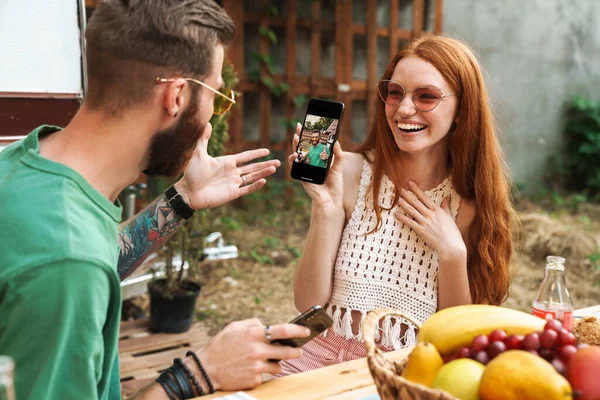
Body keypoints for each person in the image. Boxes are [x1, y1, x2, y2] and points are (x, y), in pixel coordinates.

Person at [0, 1, 309, 399]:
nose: (215, 113)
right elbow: (73, 261)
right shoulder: (67, 262)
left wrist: (183, 199)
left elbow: (95, 257)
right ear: (176, 96)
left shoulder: (27, 163)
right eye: (216, 94)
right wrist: (199, 374)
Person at [279, 34, 514, 375]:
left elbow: (456, 340)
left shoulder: (469, 206)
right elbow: (308, 304)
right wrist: (325, 208)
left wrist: (452, 252)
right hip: (315, 353)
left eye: (427, 96)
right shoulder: (353, 174)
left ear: (462, 110)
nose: (404, 109)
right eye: (395, 92)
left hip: (402, 369)